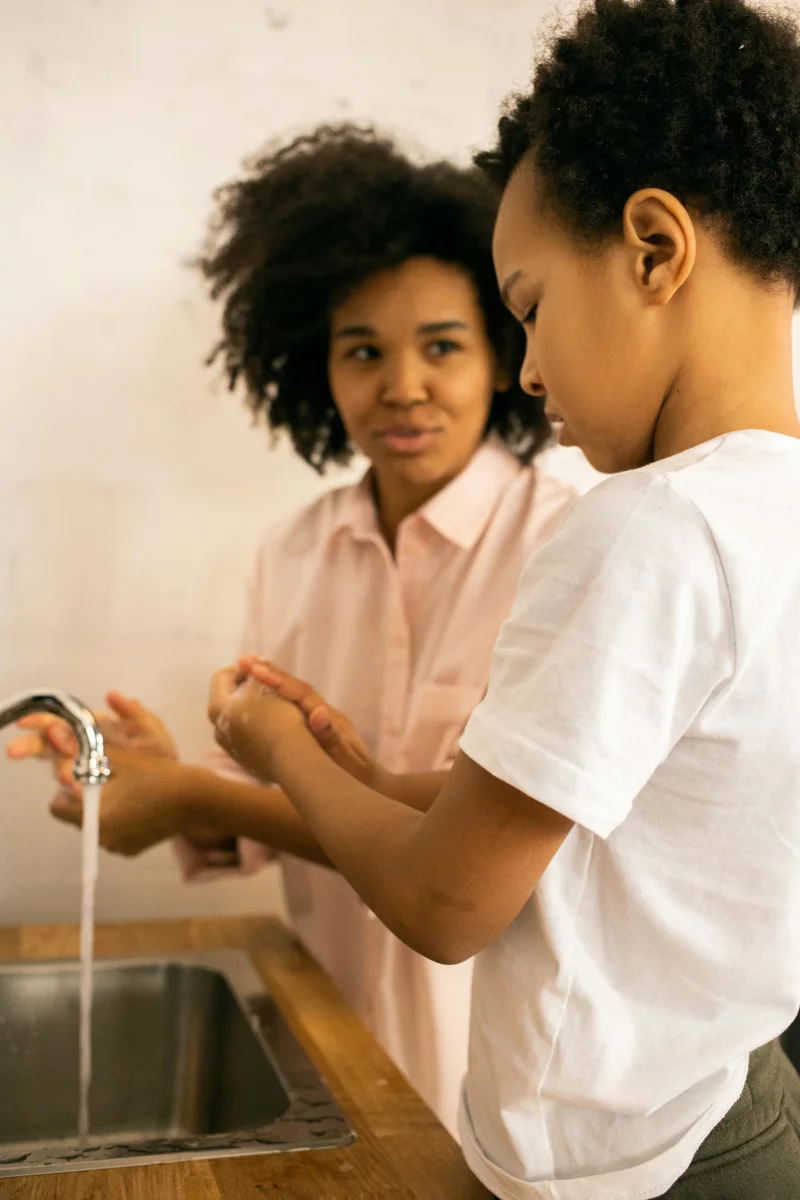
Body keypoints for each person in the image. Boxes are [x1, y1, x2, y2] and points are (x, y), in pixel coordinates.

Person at [199, 2, 800, 1197]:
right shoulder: (769, 509)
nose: (527, 370)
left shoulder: (640, 526)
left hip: (624, 1165)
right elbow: (610, 817)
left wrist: (278, 750)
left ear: (651, 247)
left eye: (523, 309)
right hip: (723, 1102)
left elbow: (442, 903)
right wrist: (372, 779)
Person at [7, 125, 577, 1135]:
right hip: (332, 1045)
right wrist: (186, 783)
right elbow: (281, 802)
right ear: (317, 370)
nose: (401, 385)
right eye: (362, 351)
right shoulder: (291, 550)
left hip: (510, 1073)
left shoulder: (566, 546)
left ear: (503, 356)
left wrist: (182, 798)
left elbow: (457, 844)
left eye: (440, 345)